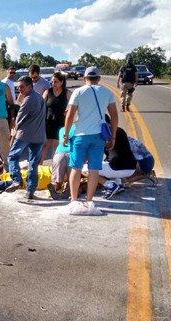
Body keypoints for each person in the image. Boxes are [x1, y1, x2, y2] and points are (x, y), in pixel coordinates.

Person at [62, 66, 118, 215]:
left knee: (76, 168)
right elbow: (114, 116)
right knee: (94, 169)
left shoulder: (78, 92)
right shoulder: (107, 92)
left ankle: (74, 201)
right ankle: (89, 201)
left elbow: (70, 115)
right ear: (98, 78)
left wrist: (66, 135)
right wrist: (113, 136)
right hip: (98, 136)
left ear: (84, 78)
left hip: (80, 135)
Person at [4, 75, 46, 199]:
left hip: (25, 134)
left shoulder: (28, 99)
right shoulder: (39, 97)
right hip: (39, 135)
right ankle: (30, 190)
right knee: (33, 163)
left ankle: (17, 179)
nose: (20, 89)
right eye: (18, 87)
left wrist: (14, 132)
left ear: (29, 86)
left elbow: (19, 120)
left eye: (22, 87)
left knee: (12, 156)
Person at [82, 118, 136, 199]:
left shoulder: (102, 135)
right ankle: (119, 184)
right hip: (132, 167)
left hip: (118, 168)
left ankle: (110, 185)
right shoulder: (120, 130)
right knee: (113, 159)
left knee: (85, 169)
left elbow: (93, 156)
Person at [40, 70, 71, 164]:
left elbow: (75, 105)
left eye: (56, 82)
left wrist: (68, 111)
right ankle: (39, 166)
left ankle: (54, 167)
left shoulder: (67, 93)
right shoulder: (48, 92)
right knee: (44, 144)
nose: (53, 84)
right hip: (47, 121)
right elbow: (40, 105)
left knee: (56, 145)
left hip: (60, 122)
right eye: (52, 82)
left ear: (62, 82)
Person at [49, 125, 75, 200]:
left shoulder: (62, 129)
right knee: (72, 178)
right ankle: (67, 190)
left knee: (56, 181)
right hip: (73, 154)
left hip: (59, 153)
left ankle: (53, 186)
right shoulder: (79, 129)